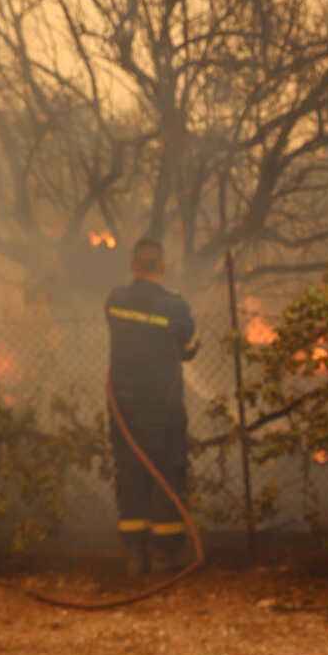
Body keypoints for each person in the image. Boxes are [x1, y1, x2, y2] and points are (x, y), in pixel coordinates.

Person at [102, 237, 199, 576]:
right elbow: (191, 348)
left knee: (130, 474)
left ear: (132, 265)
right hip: (164, 408)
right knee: (168, 474)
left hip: (124, 409)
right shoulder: (175, 307)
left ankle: (135, 556)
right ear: (163, 267)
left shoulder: (114, 302)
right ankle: (166, 555)